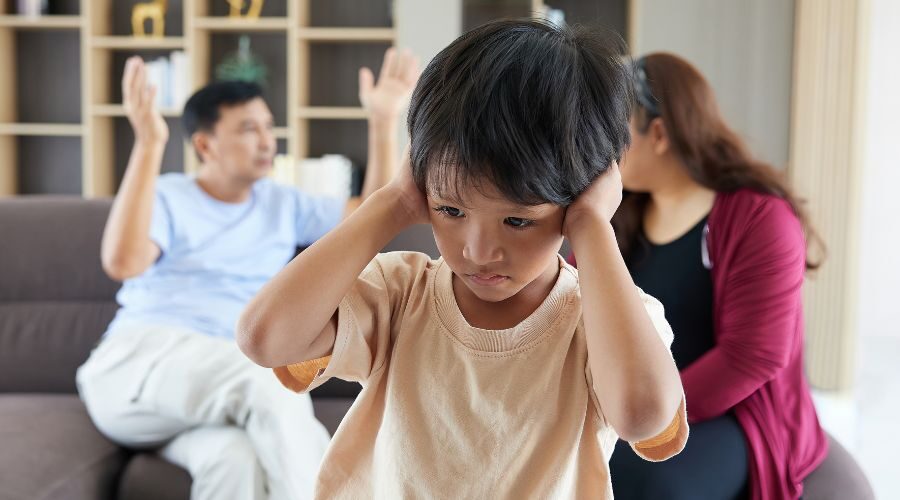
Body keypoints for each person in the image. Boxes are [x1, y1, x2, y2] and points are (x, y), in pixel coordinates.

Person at [237, 20, 688, 498]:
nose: (477, 251)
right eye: (450, 210)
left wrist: (594, 227)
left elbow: (641, 415)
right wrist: (390, 203)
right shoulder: (400, 294)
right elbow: (264, 339)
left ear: (582, 199)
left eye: (517, 221)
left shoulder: (601, 322)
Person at [75, 48, 420, 500]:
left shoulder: (284, 203)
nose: (266, 141)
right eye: (247, 129)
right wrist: (148, 144)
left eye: (268, 128)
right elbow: (122, 262)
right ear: (204, 144)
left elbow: (372, 220)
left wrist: (382, 121)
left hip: (212, 389)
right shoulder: (168, 196)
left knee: (232, 462)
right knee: (265, 380)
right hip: (140, 364)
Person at [574, 53, 828, 500]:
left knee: (642, 481)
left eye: (617, 134)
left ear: (658, 134)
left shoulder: (759, 218)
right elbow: (571, 297)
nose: (603, 152)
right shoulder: (620, 211)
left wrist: (641, 413)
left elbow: (752, 357)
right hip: (630, 399)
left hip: (729, 412)